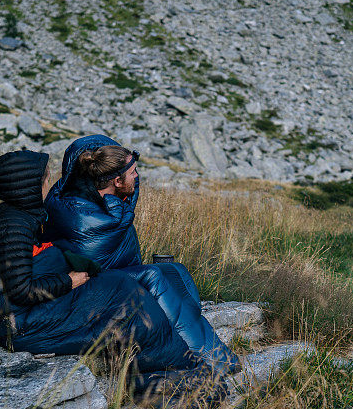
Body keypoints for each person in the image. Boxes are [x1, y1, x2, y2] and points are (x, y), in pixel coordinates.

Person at [0, 149, 199, 377]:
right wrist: (69, 281)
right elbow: (21, 290)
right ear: (28, 185)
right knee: (125, 296)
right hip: (23, 326)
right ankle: (174, 371)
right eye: (45, 178)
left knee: (116, 283)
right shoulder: (15, 226)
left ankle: (171, 362)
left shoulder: (13, 216)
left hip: (25, 316)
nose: (48, 183)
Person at [44, 135, 242, 375]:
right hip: (87, 293)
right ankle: (204, 362)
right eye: (133, 172)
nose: (137, 177)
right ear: (116, 181)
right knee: (153, 275)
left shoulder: (88, 195)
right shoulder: (84, 216)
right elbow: (101, 264)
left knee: (175, 270)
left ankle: (205, 345)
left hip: (105, 277)